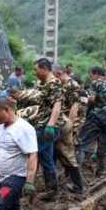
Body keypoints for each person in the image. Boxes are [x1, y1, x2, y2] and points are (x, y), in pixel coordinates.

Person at [28, 59, 65, 201]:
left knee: (30, 153)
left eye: (36, 69)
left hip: (46, 128)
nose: (35, 72)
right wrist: (31, 119)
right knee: (47, 159)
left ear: (44, 69)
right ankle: (53, 191)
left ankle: (27, 185)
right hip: (43, 125)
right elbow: (45, 108)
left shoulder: (54, 83)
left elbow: (57, 104)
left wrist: (50, 124)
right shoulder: (47, 85)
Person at [76, 66, 106, 176]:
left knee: (83, 143)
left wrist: (88, 112)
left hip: (97, 115)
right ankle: (101, 171)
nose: (90, 77)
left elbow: (92, 99)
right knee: (103, 144)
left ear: (96, 74)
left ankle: (76, 174)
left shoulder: (95, 82)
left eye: (91, 75)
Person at [52, 64, 84, 194]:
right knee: (55, 152)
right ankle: (55, 183)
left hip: (68, 124)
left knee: (67, 153)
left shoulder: (73, 85)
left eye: (54, 76)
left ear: (59, 73)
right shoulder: (60, 85)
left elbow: (74, 107)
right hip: (60, 122)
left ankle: (78, 185)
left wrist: (69, 125)